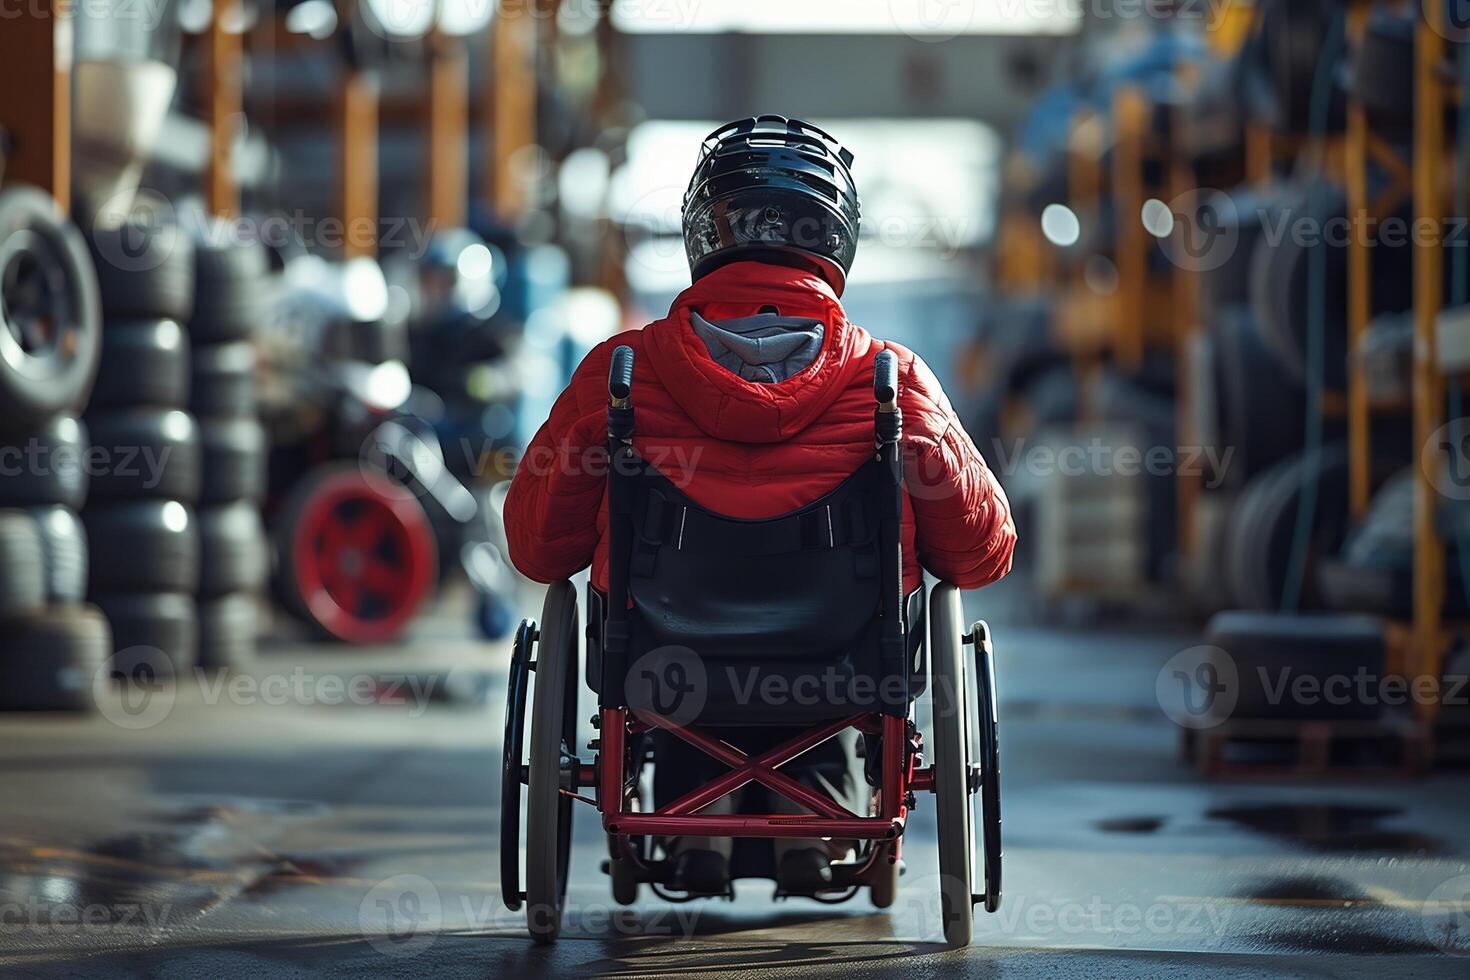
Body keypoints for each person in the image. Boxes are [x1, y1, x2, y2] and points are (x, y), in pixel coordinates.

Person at [505, 115, 1016, 896]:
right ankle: (811, 822)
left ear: (701, 231)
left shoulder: (620, 373)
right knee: (842, 645)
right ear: (839, 234)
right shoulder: (892, 381)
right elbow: (981, 555)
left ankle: (692, 822)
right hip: (842, 667)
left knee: (671, 650)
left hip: (661, 664)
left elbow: (540, 551)